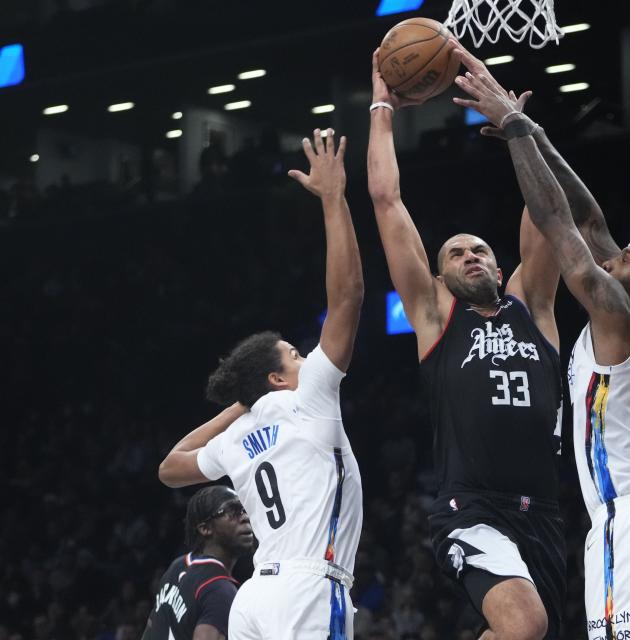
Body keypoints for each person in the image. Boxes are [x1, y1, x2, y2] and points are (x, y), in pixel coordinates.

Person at [452, 49, 630, 639]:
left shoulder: (619, 313)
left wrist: (520, 131)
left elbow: (560, 225)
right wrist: (535, 135)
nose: (613, 252)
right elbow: (590, 216)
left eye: (624, 259)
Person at [367, 45, 566, 640]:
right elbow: (386, 201)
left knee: (526, 634)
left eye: (480, 249)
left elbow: (551, 210)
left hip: (546, 513)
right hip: (471, 509)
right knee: (525, 624)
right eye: (455, 252)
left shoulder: (535, 305)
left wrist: (514, 124)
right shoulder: (435, 315)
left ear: (502, 269)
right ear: (437, 275)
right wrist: (382, 106)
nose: (470, 255)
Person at [157, 128, 364, 639]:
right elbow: (348, 297)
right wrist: (334, 199)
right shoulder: (308, 394)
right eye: (295, 355)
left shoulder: (234, 439)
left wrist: (239, 408)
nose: (306, 357)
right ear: (279, 378)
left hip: (254, 598)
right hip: (309, 590)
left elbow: (169, 468)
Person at [141, 486, 255, 640]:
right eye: (232, 510)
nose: (244, 517)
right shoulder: (219, 590)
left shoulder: (178, 566)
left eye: (243, 510)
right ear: (205, 528)